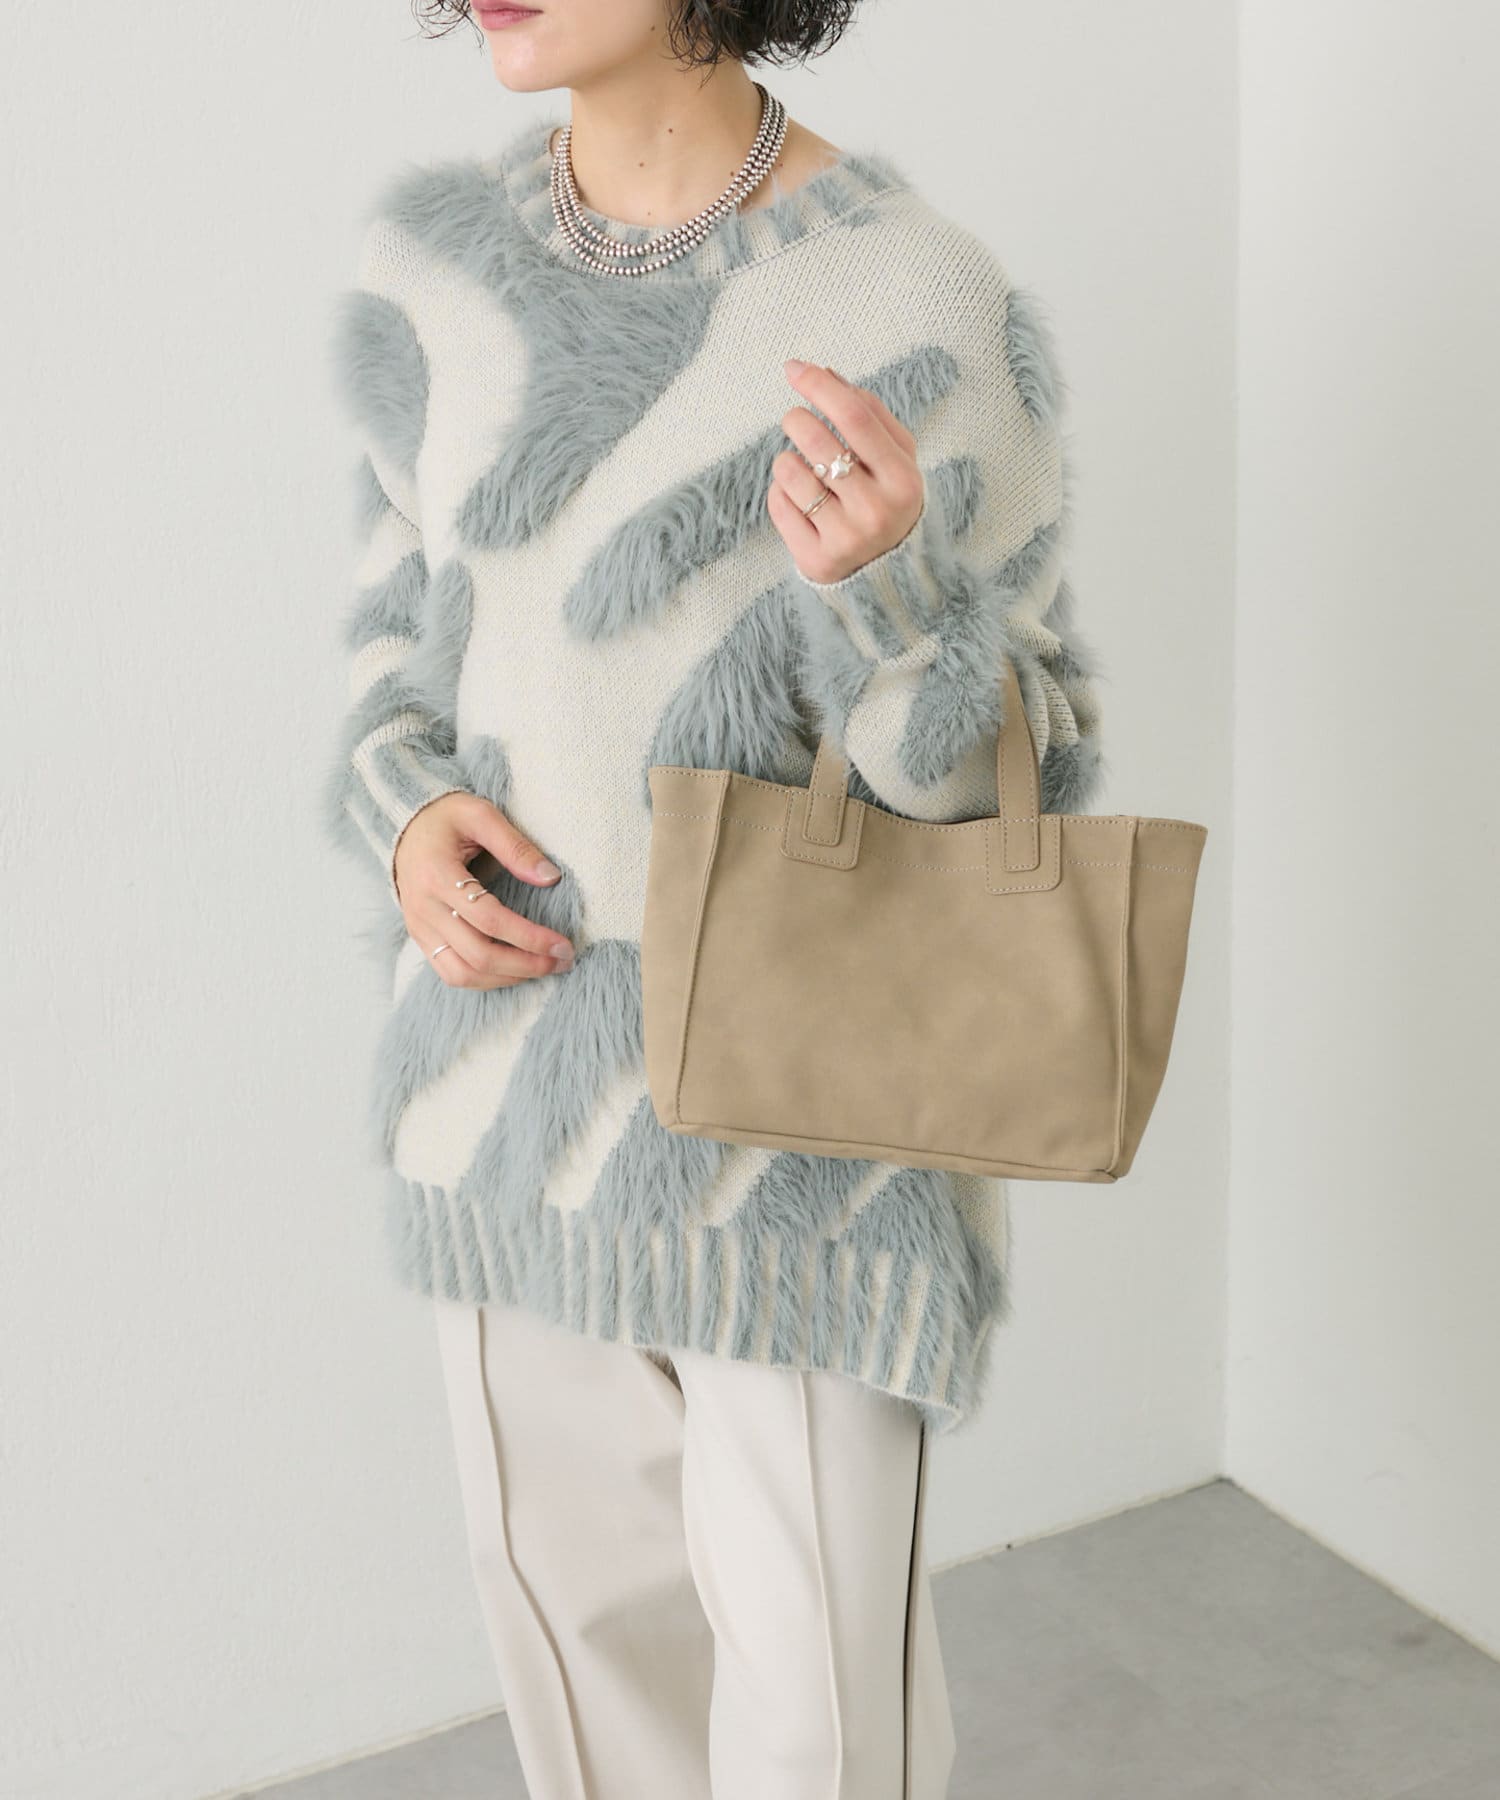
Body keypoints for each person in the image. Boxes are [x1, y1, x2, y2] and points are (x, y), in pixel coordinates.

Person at [322, 1, 1107, 1793]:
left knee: (822, 1736)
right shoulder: (433, 275)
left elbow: (1016, 780)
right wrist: (407, 812)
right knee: (591, 1699)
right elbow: (396, 636)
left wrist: (898, 593)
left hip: (808, 1151)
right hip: (505, 1099)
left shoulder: (918, 292)